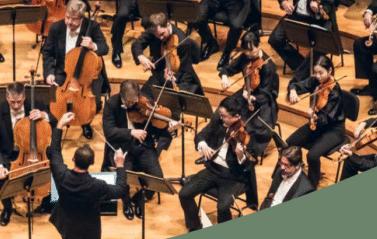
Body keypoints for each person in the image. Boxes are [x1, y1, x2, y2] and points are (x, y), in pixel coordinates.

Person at [50, 111, 128, 239]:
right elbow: (120, 190)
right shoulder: (97, 185)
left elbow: (54, 153)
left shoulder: (62, 176)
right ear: (92, 163)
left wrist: (59, 126)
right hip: (91, 230)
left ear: (73, 159)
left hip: (68, 228)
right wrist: (120, 166)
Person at [103, 80, 178, 219]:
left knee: (158, 178)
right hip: (123, 148)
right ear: (122, 95)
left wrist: (168, 129)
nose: (133, 104)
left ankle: (139, 198)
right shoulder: (111, 104)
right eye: (129, 101)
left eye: (135, 100)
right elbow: (109, 131)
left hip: (144, 146)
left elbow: (155, 129)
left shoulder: (144, 102)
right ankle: (126, 202)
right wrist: (131, 132)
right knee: (124, 177)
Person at [178, 94, 254, 229]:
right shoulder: (218, 120)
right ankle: (195, 227)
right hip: (213, 170)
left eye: (224, 116)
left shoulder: (247, 131)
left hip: (233, 176)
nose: (221, 118)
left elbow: (250, 163)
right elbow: (202, 134)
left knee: (223, 206)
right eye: (220, 114)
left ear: (236, 117)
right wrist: (203, 145)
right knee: (184, 194)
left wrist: (240, 155)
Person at [0, 82, 55, 226]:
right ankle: (8, 208)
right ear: (7, 97)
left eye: (19, 102)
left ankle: (47, 203)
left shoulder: (34, 104)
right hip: (8, 153)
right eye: (13, 102)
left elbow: (54, 119)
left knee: (55, 164)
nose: (16, 106)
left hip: (33, 151)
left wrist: (43, 115)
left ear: (24, 97)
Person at [42, 0, 108, 139]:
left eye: (74, 19)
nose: (69, 22)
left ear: (81, 18)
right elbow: (47, 53)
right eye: (67, 17)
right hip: (63, 72)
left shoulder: (92, 27)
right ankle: (57, 122)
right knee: (51, 97)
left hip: (87, 75)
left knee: (95, 103)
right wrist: (49, 73)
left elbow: (105, 48)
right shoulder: (56, 28)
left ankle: (85, 122)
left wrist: (93, 46)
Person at [268, 0, 336, 80]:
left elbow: (331, 3)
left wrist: (320, 8)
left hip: (316, 19)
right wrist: (284, 2)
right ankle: (301, 66)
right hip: (297, 16)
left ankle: (300, 75)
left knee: (322, 44)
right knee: (275, 39)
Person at [284, 55, 346, 188]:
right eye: (315, 72)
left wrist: (315, 116)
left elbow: (327, 117)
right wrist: (293, 90)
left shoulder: (335, 91)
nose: (318, 76)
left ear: (330, 70)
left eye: (321, 73)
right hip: (316, 124)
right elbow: (297, 84)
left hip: (334, 129)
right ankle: (294, 172)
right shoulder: (315, 81)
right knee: (290, 142)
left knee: (312, 155)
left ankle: (311, 185)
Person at [219, 31, 279, 160]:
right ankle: (217, 148)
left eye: (251, 50)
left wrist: (254, 98)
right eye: (245, 50)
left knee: (254, 126)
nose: (248, 54)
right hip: (246, 93)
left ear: (259, 46)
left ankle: (247, 154)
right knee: (224, 110)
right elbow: (229, 68)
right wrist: (224, 76)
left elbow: (269, 93)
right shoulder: (245, 57)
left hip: (264, 100)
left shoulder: (269, 66)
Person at [132, 12, 202, 96]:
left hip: (180, 78)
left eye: (162, 34)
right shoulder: (155, 30)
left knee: (175, 99)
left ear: (168, 25)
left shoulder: (183, 42)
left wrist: (172, 78)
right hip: (160, 72)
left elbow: (185, 70)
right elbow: (137, 44)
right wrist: (140, 56)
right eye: (157, 35)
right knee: (143, 96)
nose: (160, 38)